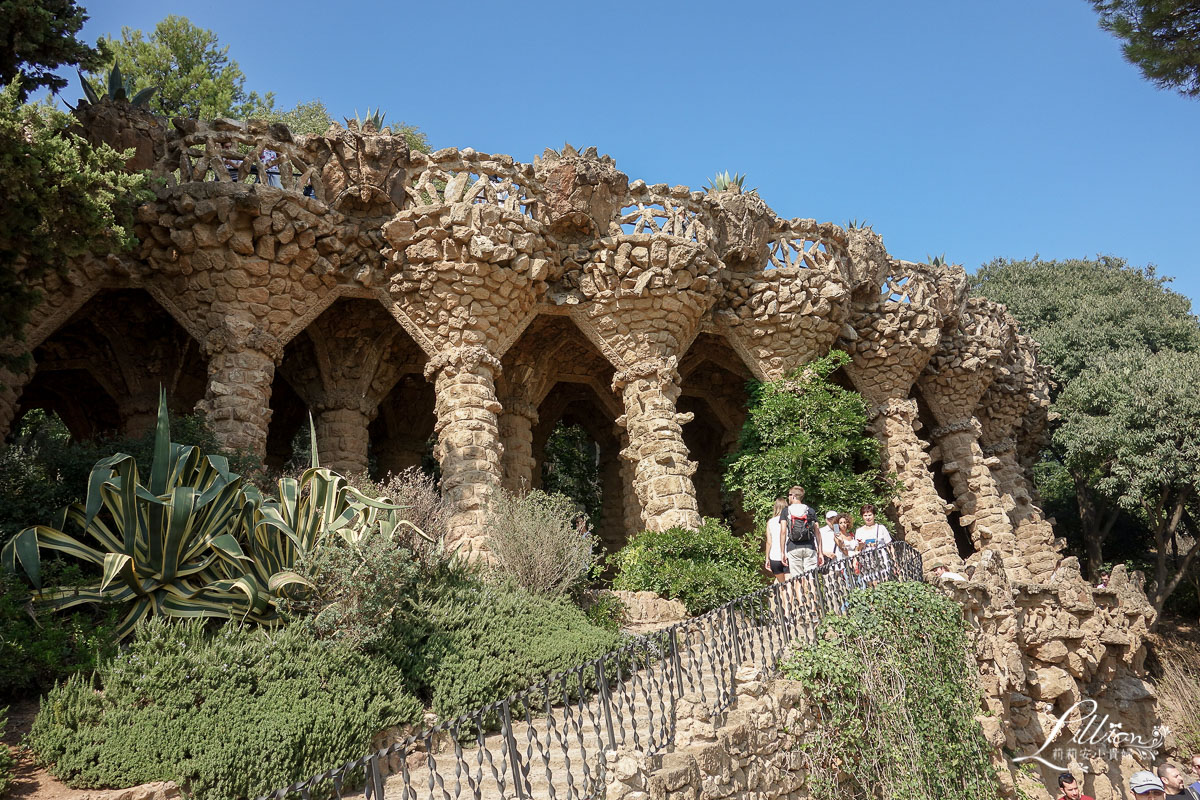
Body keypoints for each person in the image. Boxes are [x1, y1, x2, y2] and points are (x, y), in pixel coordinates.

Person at [783, 486, 820, 575]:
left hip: (793, 547)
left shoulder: (786, 511)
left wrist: (782, 552)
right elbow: (817, 532)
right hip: (809, 547)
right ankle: (812, 589)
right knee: (811, 577)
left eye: (789, 495)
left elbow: (783, 532)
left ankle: (800, 589)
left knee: (797, 579)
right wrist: (820, 552)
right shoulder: (810, 510)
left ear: (793, 496)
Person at [763, 497, 789, 583]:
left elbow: (769, 542)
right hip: (787, 555)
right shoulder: (788, 520)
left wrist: (767, 558)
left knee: (782, 585)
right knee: (789, 584)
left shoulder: (770, 522)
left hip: (774, 557)